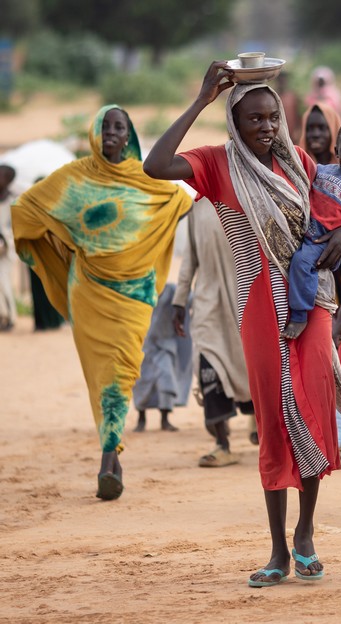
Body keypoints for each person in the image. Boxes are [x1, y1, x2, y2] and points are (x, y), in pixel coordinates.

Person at [143, 63, 341, 586]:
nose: (265, 126)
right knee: (274, 422)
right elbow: (156, 164)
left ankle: (305, 533)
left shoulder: (299, 162)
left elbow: (339, 211)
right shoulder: (216, 164)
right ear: (234, 123)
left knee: (311, 412)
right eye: (254, 119)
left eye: (271, 117)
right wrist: (201, 99)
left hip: (313, 304)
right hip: (259, 307)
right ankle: (278, 549)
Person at [12, 105, 194, 500]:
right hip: (90, 293)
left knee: (123, 371)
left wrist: (150, 240)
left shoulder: (148, 180)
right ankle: (110, 455)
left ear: (129, 136)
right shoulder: (75, 177)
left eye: (119, 127)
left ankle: (110, 454)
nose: (111, 132)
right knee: (102, 377)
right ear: (95, 133)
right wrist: (67, 242)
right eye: (105, 126)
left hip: (136, 295)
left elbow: (182, 204)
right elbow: (26, 209)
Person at [173, 197, 255, 466]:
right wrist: (179, 301)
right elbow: (190, 257)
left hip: (247, 299)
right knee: (207, 364)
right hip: (208, 302)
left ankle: (260, 422)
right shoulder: (197, 205)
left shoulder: (249, 193)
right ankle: (222, 445)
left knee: (254, 368)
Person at [284, 120, 341, 341]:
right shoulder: (323, 170)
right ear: (336, 151)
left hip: (322, 241)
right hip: (303, 229)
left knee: (301, 263)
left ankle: (300, 315)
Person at [132, 284, 191, 433]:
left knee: (166, 378)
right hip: (143, 345)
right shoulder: (138, 286)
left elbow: (188, 298)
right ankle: (141, 419)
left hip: (165, 345)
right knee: (141, 382)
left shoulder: (170, 290)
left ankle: (165, 419)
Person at [0, 165, 17, 331]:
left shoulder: (13, 201)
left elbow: (15, 228)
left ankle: (10, 317)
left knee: (3, 281)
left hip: (6, 249)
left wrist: (5, 242)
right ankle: (2, 316)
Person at [276, 73, 303, 144]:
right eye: (280, 81)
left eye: (283, 81)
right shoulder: (273, 97)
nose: (282, 83)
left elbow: (298, 115)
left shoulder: (293, 97)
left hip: (292, 135)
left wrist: (298, 130)